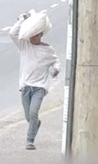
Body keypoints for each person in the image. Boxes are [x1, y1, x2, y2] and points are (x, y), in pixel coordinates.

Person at [9, 12, 60, 150]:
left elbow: (55, 62)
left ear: (40, 34)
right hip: (26, 86)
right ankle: (35, 124)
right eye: (31, 35)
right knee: (28, 116)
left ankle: (29, 140)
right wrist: (21, 20)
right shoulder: (25, 46)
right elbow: (12, 34)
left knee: (33, 112)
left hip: (40, 87)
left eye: (36, 35)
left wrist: (55, 69)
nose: (33, 38)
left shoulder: (48, 50)